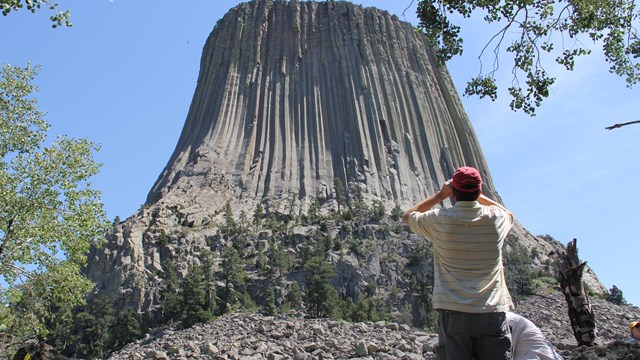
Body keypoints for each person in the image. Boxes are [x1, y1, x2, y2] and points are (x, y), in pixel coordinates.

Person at [402, 166, 515, 360]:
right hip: (491, 311)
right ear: (479, 190)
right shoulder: (495, 220)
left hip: (454, 313)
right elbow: (509, 214)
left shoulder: (440, 220)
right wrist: (478, 196)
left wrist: (440, 195)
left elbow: (407, 216)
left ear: (453, 192)